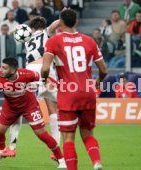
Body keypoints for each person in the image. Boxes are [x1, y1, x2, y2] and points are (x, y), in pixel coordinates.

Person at [41, 9, 107, 170]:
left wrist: (44, 80)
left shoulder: (53, 41)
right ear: (76, 22)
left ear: (60, 22)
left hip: (67, 94)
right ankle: (96, 162)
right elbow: (104, 70)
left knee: (68, 138)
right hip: (87, 92)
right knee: (88, 133)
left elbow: (45, 68)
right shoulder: (90, 41)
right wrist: (98, 81)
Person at [0, 58, 66, 168]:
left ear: (13, 71)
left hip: (29, 107)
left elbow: (45, 77)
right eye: (1, 67)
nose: (0, 70)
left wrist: (56, 85)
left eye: (4, 68)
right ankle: (3, 150)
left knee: (42, 134)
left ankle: (62, 160)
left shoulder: (26, 74)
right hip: (10, 107)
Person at [3, 16, 62, 160]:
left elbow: (16, 34)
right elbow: (54, 25)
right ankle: (56, 150)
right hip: (45, 69)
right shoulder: (45, 32)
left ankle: (11, 147)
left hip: (30, 70)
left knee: (19, 107)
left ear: (32, 28)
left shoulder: (27, 37)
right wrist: (62, 17)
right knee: (53, 110)